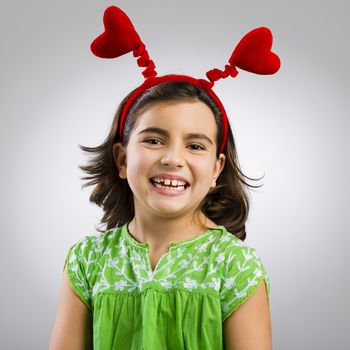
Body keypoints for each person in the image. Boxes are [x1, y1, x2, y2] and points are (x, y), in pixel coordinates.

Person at [49, 5, 279, 350]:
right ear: (122, 159)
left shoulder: (236, 266)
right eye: (154, 140)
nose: (173, 159)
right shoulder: (87, 261)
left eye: (195, 146)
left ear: (216, 170)